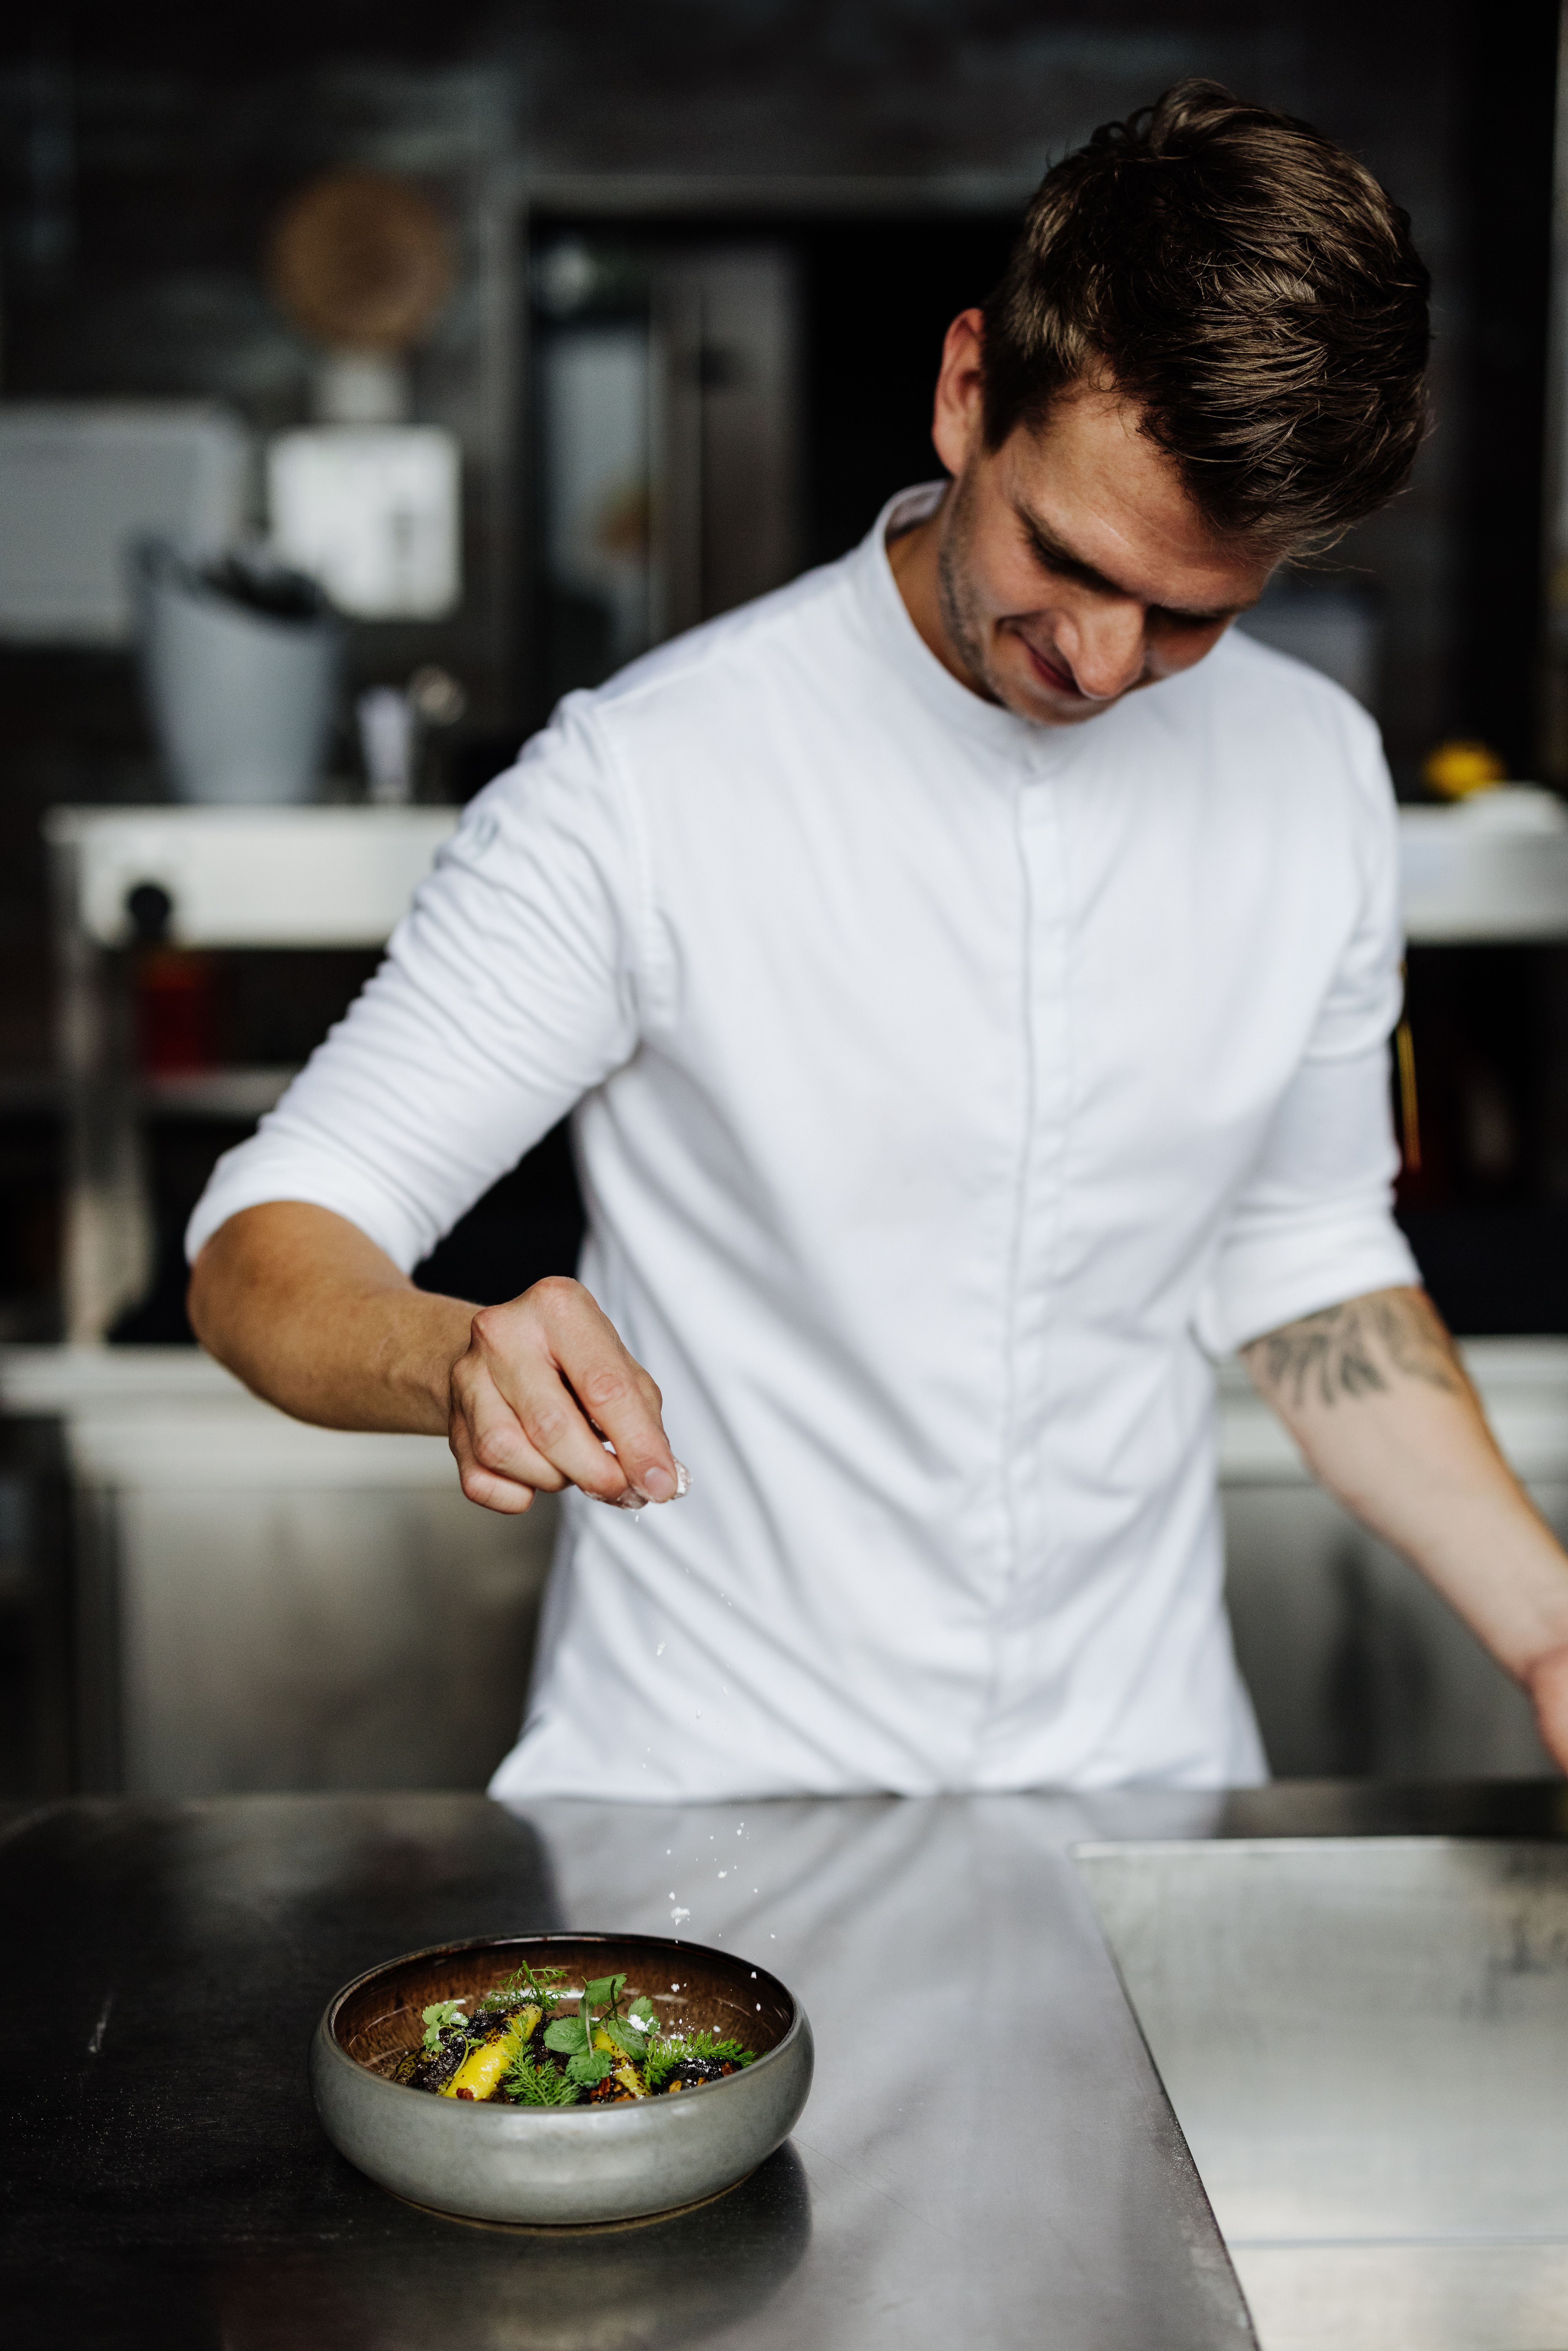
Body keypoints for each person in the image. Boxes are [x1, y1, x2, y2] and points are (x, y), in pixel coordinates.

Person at [188, 82, 1568, 1797]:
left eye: (1191, 615)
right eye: (1062, 555)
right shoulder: (647, 780)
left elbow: (1302, 1263)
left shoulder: (1311, 774)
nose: (1102, 659)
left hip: (1134, 1791)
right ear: (966, 390)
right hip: (703, 1809)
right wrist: (453, 1353)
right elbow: (264, 1245)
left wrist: (1546, 1623)